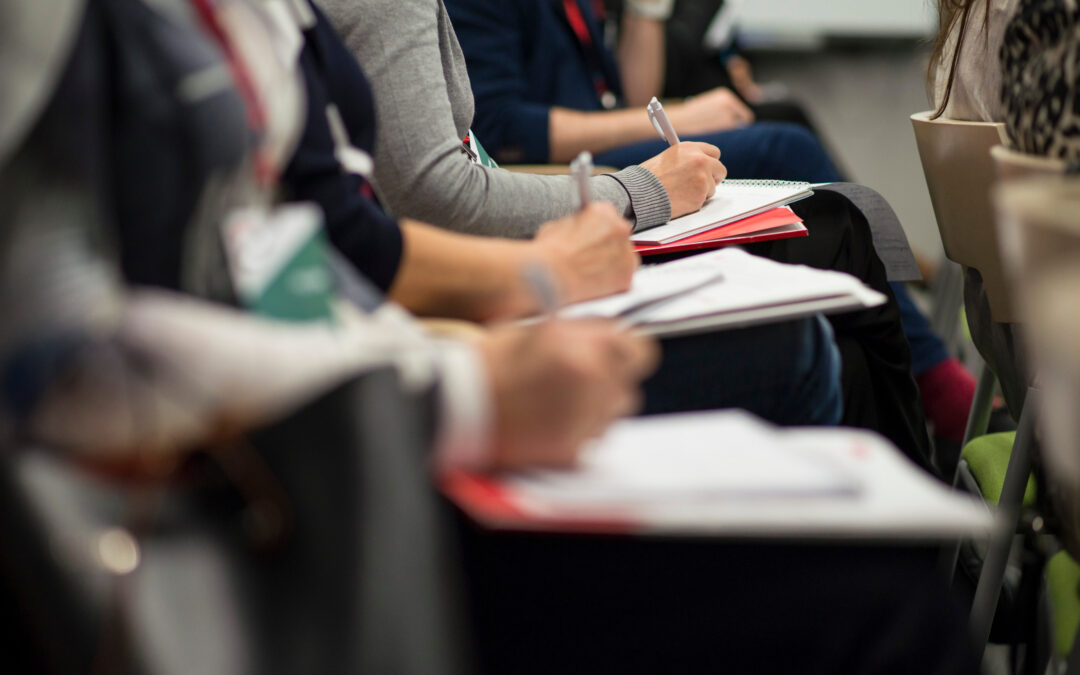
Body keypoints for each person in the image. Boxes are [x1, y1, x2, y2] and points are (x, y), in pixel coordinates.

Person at [318, 0, 937, 470]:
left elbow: (470, 168)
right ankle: (928, 486)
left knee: (839, 266)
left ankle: (920, 528)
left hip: (518, 239)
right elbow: (449, 188)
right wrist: (639, 192)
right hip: (489, 282)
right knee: (821, 279)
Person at [441, 0, 844, 182]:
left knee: (785, 119)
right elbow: (501, 131)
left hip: (595, 152)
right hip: (554, 171)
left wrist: (646, 8)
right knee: (785, 147)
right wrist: (686, 117)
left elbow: (634, 96)